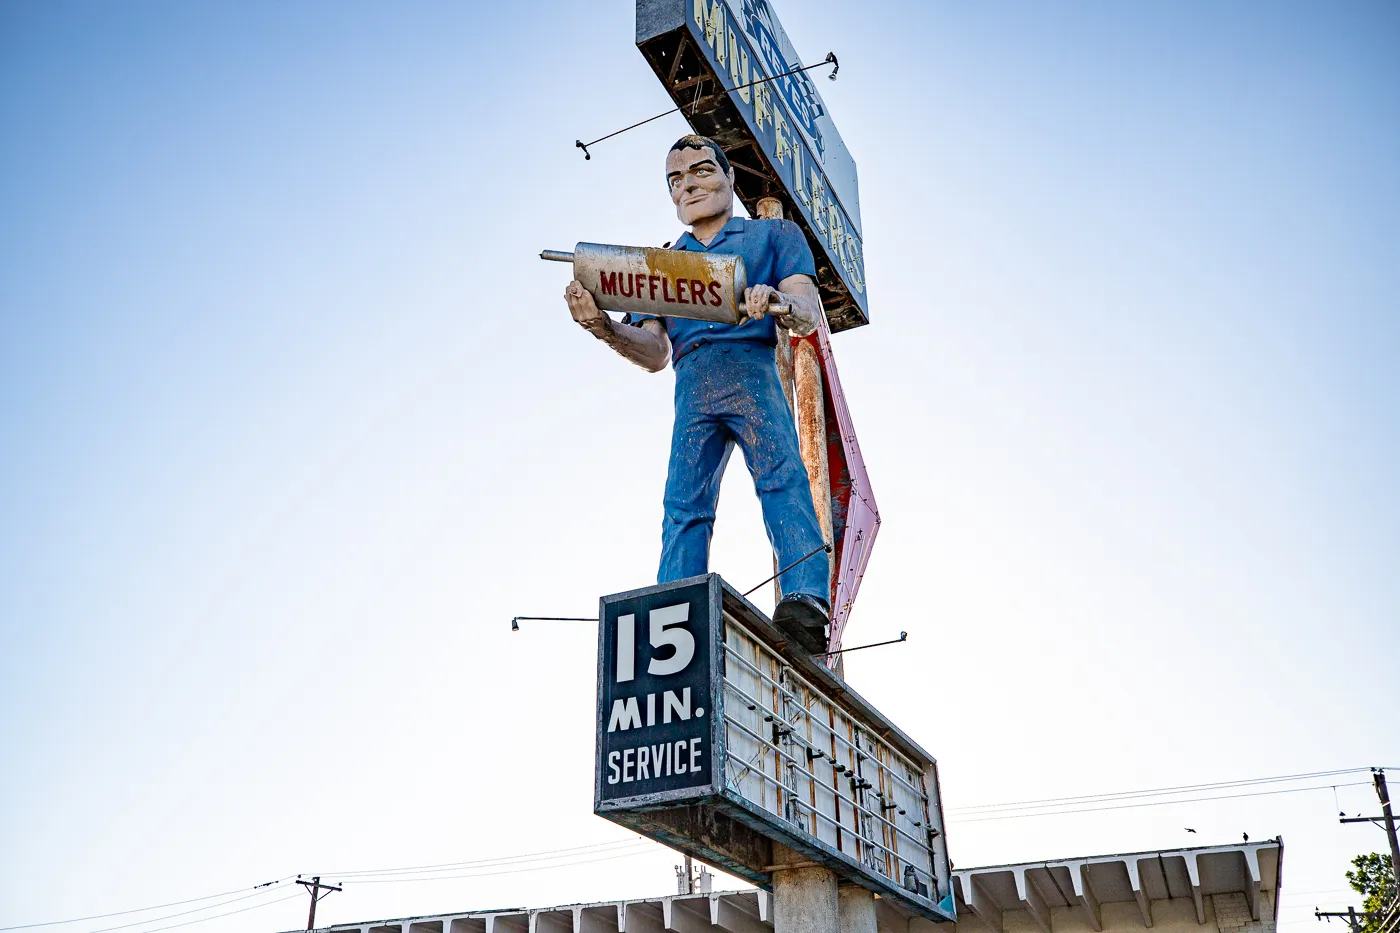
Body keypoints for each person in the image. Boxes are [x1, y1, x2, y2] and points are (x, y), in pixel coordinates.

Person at [562, 134, 831, 652]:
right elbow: (655, 352)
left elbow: (807, 312)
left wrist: (774, 301)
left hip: (752, 370)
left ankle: (805, 595)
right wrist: (602, 327)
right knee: (683, 502)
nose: (688, 187)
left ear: (730, 178)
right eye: (676, 180)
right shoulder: (661, 264)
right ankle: (672, 609)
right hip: (693, 383)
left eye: (702, 172)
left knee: (782, 477)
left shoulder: (773, 236)